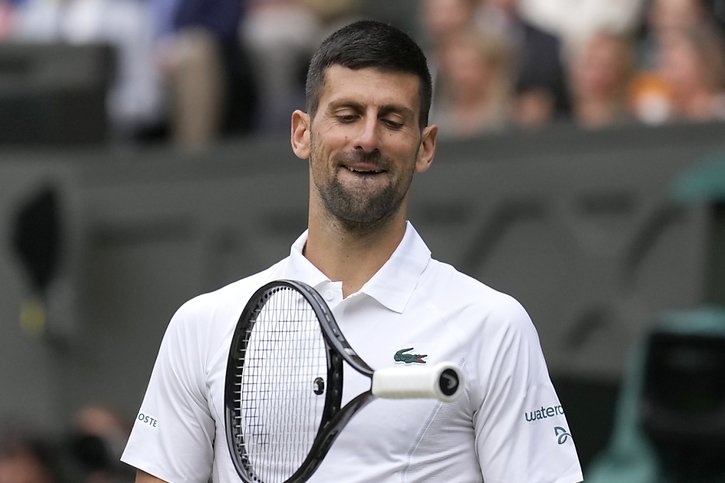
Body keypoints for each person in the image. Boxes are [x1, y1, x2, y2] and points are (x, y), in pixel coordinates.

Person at [121, 19, 583, 483]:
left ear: (425, 148)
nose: (367, 139)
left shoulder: (494, 326)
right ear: (302, 133)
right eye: (346, 115)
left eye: (392, 120)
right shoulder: (201, 325)